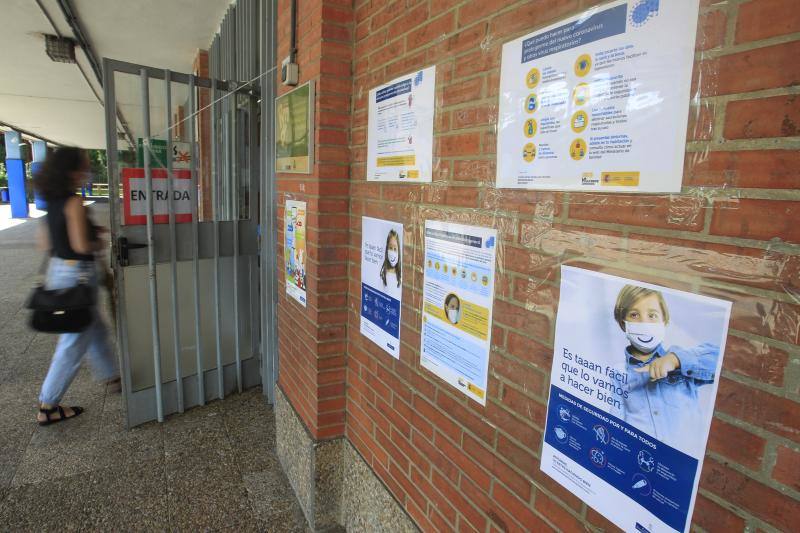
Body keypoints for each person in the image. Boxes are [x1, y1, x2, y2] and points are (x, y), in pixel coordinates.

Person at [32, 147, 119, 426]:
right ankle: (48, 404)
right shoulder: (73, 203)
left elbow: (45, 243)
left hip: (59, 270)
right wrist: (98, 242)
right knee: (72, 341)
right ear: (71, 171)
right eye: (83, 167)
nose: (87, 172)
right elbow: (82, 246)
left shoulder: (52, 201)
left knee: (93, 328)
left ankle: (112, 376)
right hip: (78, 274)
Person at [614, 285, 719, 454]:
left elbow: (719, 359)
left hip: (684, 460)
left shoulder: (680, 359)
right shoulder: (617, 374)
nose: (644, 323)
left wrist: (676, 360)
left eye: (652, 315)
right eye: (634, 315)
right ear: (622, 323)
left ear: (665, 321)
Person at [379, 229, 401, 298]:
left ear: (398, 251)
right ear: (387, 249)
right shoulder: (382, 273)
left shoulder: (400, 276)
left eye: (395, 249)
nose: (392, 251)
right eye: (390, 248)